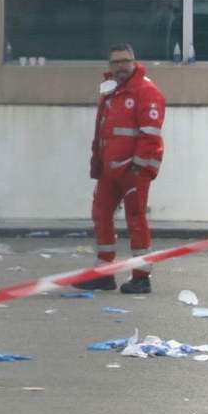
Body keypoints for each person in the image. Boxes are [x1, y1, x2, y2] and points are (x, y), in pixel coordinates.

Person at [86, 41, 167, 295]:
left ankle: (142, 277)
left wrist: (138, 167)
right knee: (100, 214)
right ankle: (104, 273)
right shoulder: (110, 90)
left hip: (133, 170)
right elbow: (103, 130)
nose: (120, 66)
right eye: (115, 62)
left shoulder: (146, 91)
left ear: (134, 62)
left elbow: (151, 136)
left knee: (136, 219)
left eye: (125, 61)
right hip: (110, 170)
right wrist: (98, 162)